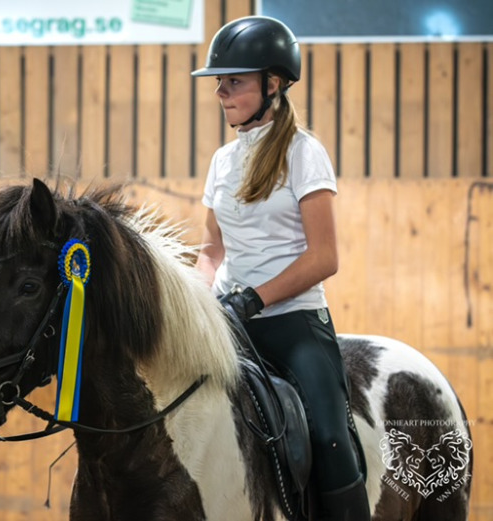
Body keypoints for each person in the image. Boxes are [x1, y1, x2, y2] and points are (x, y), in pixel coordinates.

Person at [191, 16, 370, 521]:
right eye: (219, 82)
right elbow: (211, 248)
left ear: (273, 83)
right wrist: (200, 300)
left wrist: (256, 297)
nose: (221, 92)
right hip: (229, 324)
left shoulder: (303, 153)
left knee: (332, 439)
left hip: (294, 324)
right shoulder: (222, 162)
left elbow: (324, 257)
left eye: (235, 81)